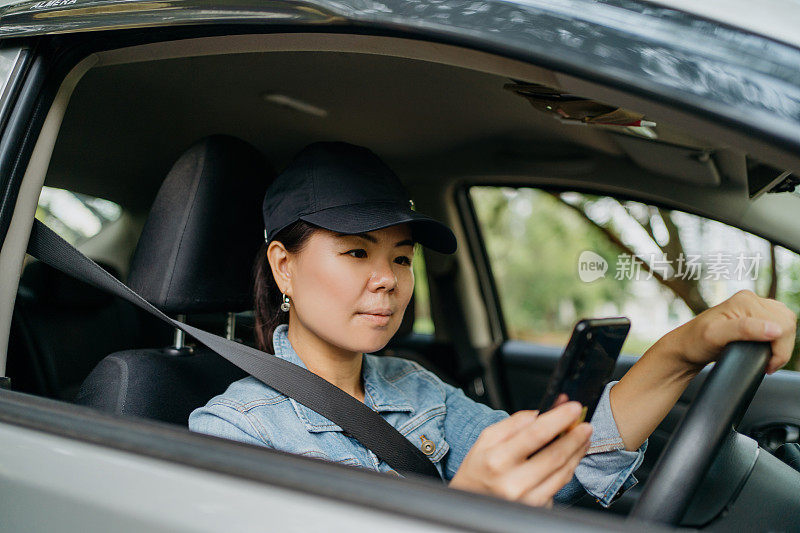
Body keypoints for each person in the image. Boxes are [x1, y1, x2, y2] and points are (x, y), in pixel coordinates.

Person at [189, 142, 796, 508]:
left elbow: (564, 467)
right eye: (356, 252)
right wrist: (465, 509)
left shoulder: (413, 388)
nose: (389, 280)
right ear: (284, 267)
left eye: (402, 257)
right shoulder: (233, 431)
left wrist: (685, 349)